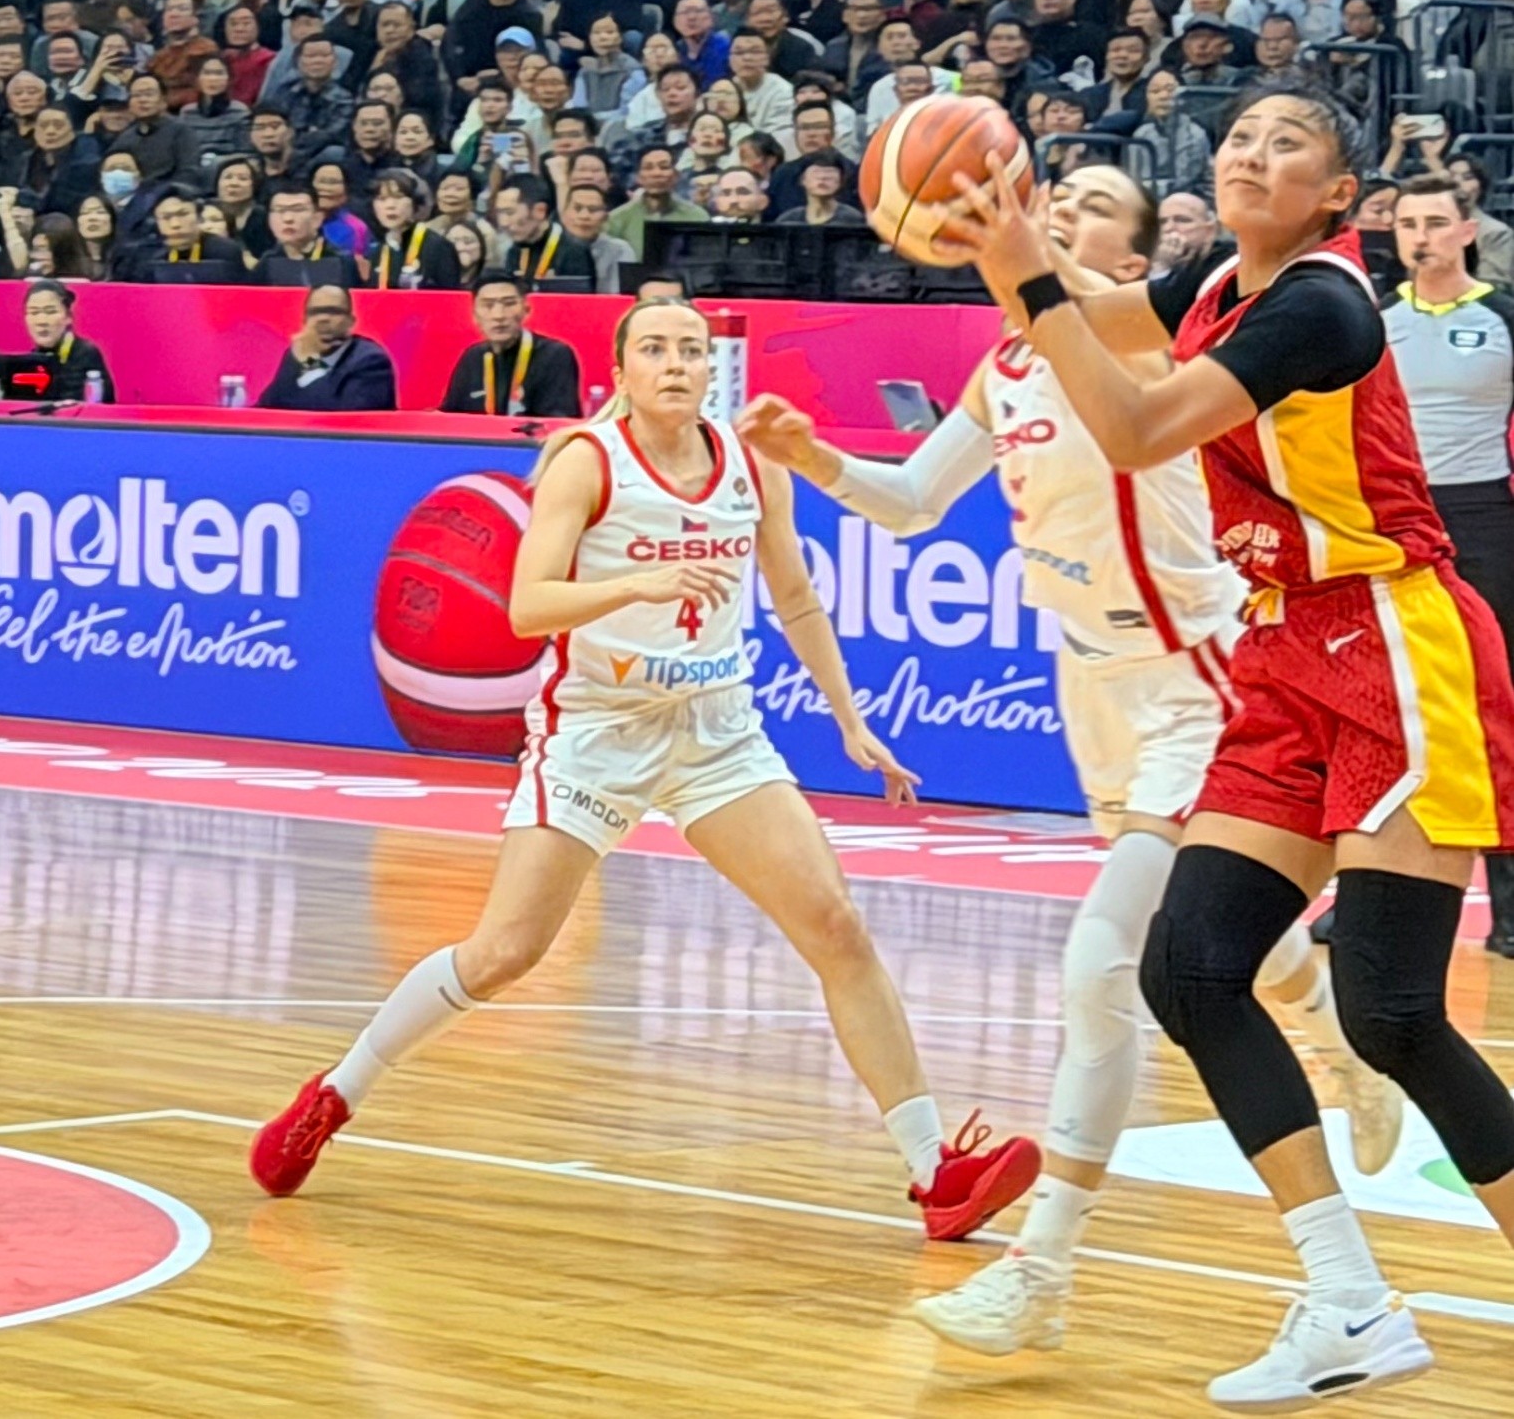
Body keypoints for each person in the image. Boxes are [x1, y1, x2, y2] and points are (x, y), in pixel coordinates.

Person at [744, 163, 1401, 1355]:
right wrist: (813, 456)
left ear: (1133, 260)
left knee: (1102, 965)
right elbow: (911, 500)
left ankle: (1041, 1267)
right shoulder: (1003, 364)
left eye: (1093, 205)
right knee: (1214, 931)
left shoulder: (1161, 351)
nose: (1060, 210)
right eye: (1061, 196)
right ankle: (1337, 1042)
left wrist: (1044, 270)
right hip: (1089, 688)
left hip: (1199, 679)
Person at [936, 89, 1514, 1404]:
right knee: (1188, 971)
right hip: (1279, 647)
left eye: (1286, 143)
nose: (1251, 152)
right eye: (1239, 137)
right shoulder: (1211, 288)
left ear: (1338, 196)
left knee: (1389, 1011)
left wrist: (1026, 265)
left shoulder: (1322, 305)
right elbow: (1101, 317)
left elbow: (1135, 424)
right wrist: (1000, 236)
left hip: (1391, 639)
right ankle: (1347, 1301)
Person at [252, 298, 1037, 1242]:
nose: (674, 364)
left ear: (713, 369)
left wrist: (848, 718)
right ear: (620, 371)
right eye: (655, 349)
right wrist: (636, 582)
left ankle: (933, 1172)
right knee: (503, 953)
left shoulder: (749, 461)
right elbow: (526, 607)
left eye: (690, 351)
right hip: (597, 730)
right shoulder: (587, 461)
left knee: (835, 925)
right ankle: (334, 1095)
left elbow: (794, 596)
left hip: (715, 731)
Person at [1385, 170, 1514, 948]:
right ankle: (1366, 897)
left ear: (1467, 231)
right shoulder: (1369, 319)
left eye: (1435, 223)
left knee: (1495, 706)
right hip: (1393, 524)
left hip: (1482, 518)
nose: (1420, 237)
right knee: (1390, 712)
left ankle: (1510, 909)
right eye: (1407, 224)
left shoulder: (1502, 315)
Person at [439, 275, 582, 416]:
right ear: (474, 315)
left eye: (509, 304)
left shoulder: (554, 355)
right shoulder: (472, 357)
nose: (498, 315)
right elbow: (449, 416)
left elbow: (560, 421)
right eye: (488, 305)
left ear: (526, 310)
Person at [262, 283, 396, 412]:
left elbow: (337, 416)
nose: (323, 318)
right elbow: (268, 406)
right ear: (304, 321)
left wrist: (310, 361)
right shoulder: (298, 353)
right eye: (315, 312)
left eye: (333, 311)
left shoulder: (371, 361)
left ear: (351, 321)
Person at [0, 278, 116, 402]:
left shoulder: (86, 354)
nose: (41, 321)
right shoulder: (30, 361)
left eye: (50, 312)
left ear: (68, 316)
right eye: (34, 313)